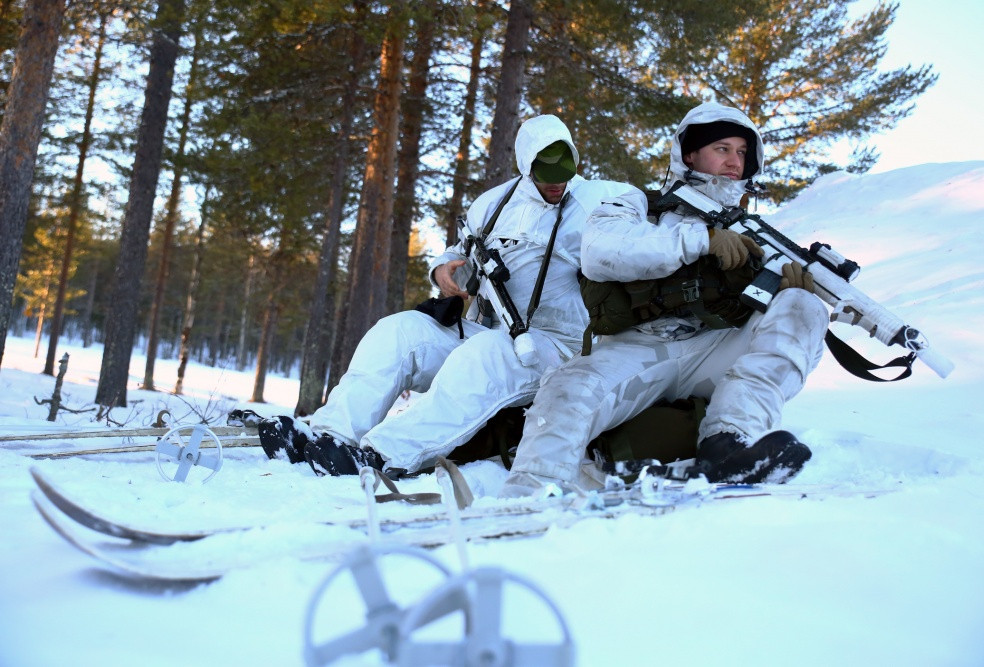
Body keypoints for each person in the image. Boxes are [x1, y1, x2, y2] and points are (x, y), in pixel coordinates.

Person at [255, 114, 632, 476]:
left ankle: (384, 453)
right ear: (525, 165)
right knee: (400, 332)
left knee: (484, 357)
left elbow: (652, 215)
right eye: (545, 175)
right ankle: (331, 435)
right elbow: (461, 249)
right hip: (495, 333)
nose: (556, 185)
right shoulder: (493, 204)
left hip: (561, 349)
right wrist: (443, 268)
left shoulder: (598, 201)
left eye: (563, 175)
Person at [501, 102, 829, 497]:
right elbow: (601, 251)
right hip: (638, 349)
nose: (734, 162)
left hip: (716, 349)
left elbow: (778, 325)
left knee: (806, 307)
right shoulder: (639, 206)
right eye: (722, 149)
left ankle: (729, 441)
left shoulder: (755, 234)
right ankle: (528, 494)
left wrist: (791, 289)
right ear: (690, 155)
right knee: (570, 388)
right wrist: (701, 240)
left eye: (742, 152)